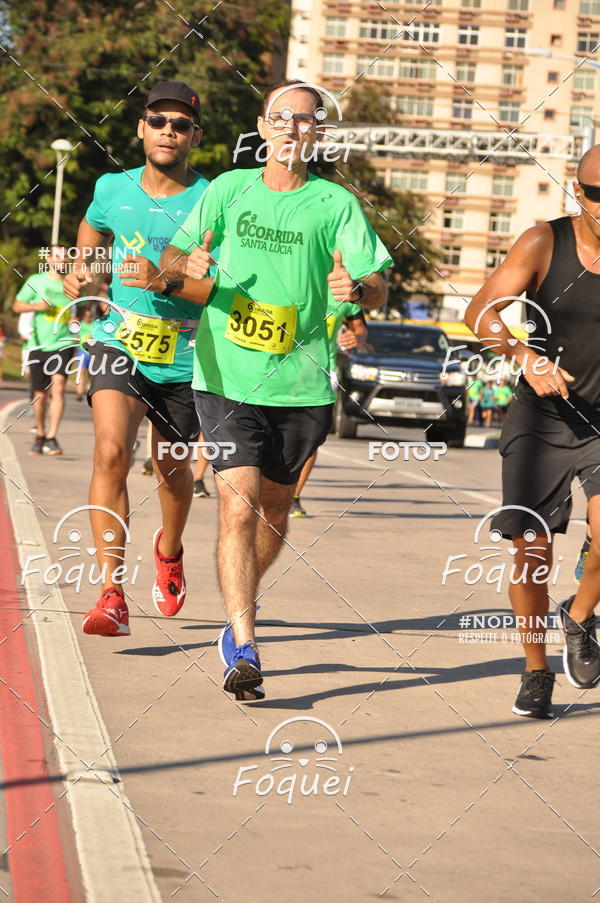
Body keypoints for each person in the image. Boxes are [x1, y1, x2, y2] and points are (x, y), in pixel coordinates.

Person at [160, 78, 392, 700]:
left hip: (303, 382)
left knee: (275, 511)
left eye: (306, 119)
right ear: (263, 129)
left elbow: (376, 285)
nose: (293, 127)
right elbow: (171, 262)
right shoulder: (227, 192)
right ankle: (244, 641)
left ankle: (242, 600)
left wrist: (359, 292)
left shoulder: (336, 205)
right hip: (227, 374)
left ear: (319, 134)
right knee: (237, 506)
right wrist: (185, 267)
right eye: (282, 118)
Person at [63, 80, 214, 637]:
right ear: (140, 128)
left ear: (194, 135)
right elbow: (93, 228)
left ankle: (169, 550)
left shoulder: (213, 199)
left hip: (184, 354)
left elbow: (217, 288)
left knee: (172, 472)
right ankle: (111, 592)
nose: (168, 131)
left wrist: (166, 281)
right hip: (117, 339)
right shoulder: (112, 187)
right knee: (109, 452)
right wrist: (85, 270)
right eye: (158, 121)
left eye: (180, 125)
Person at [465, 144, 600, 719]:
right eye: (598, 194)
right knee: (533, 552)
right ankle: (535, 668)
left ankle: (578, 615)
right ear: (579, 192)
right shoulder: (545, 240)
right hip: (540, 420)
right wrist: (526, 356)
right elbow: (481, 312)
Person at [290, 302, 367, 518]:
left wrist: (357, 338)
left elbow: (360, 328)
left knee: (310, 437)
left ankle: (294, 497)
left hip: (323, 371)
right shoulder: (291, 277)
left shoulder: (343, 290)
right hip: (280, 367)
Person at [13, 246, 76, 455]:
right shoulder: (35, 281)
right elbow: (17, 306)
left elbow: (76, 307)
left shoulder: (72, 282)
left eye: (64, 256)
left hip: (63, 343)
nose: (61, 259)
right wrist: (36, 307)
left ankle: (52, 436)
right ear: (48, 259)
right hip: (38, 344)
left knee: (58, 388)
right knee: (40, 394)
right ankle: (40, 433)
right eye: (57, 256)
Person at [73, 306, 95, 400]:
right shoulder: (80, 324)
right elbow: (75, 337)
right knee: (81, 372)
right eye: (86, 316)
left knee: (91, 374)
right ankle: (79, 392)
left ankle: (91, 392)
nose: (88, 317)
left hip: (93, 352)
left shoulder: (95, 325)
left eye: (89, 316)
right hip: (82, 351)